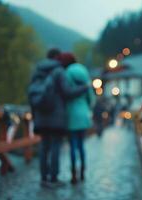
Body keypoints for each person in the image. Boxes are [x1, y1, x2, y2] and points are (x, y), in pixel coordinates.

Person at [28, 48, 88, 188]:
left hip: (41, 114)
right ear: (57, 58)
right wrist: (84, 88)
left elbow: (31, 94)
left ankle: (44, 178)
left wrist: (34, 114)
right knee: (55, 145)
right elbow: (67, 92)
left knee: (44, 146)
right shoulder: (59, 71)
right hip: (57, 115)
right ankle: (53, 178)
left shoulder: (37, 71)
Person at [56, 52, 96, 184]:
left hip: (71, 114)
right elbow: (90, 96)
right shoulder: (83, 71)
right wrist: (88, 106)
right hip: (84, 113)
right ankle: (83, 171)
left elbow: (65, 93)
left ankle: (74, 173)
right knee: (81, 145)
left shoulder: (66, 73)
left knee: (72, 145)